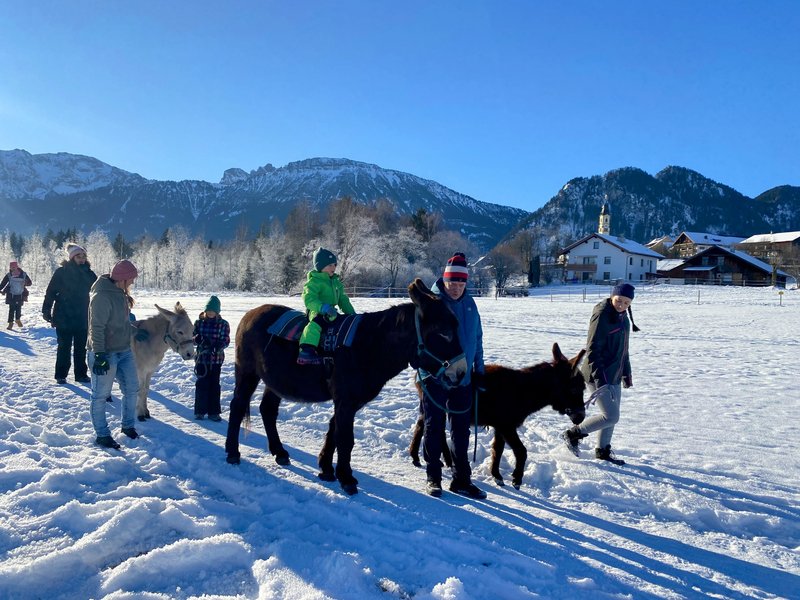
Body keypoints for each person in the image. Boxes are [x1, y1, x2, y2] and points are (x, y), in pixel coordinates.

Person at [420, 252, 487, 499]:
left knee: (461, 430)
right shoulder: (432, 303)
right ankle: (433, 476)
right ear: (444, 280)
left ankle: (461, 480)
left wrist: (479, 371)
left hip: (464, 378)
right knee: (434, 426)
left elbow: (477, 340)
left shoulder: (470, 304)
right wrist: (428, 373)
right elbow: (421, 343)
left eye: (461, 283)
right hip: (436, 378)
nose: (457, 288)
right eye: (452, 283)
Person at [562, 282, 639, 465]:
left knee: (612, 416)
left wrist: (626, 373)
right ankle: (573, 434)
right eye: (619, 300)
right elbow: (593, 350)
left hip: (614, 374)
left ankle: (602, 450)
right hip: (598, 374)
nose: (621, 305)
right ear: (612, 296)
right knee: (611, 416)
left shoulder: (624, 318)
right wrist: (601, 380)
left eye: (626, 303)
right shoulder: (602, 315)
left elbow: (624, 350)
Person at [87, 259, 142, 449]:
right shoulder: (101, 296)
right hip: (105, 353)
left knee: (132, 388)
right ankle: (102, 435)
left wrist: (135, 331)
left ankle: (128, 426)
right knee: (100, 395)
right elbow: (96, 327)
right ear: (122, 279)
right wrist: (99, 355)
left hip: (124, 350)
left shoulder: (120, 294)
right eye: (131, 279)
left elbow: (121, 323)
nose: (133, 282)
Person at [42, 243, 98, 384]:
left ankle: (81, 375)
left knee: (81, 348)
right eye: (79, 256)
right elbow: (50, 292)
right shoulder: (61, 272)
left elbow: (99, 291)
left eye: (84, 256)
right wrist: (46, 310)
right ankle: (61, 375)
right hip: (63, 316)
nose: (82, 259)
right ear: (72, 257)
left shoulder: (89, 273)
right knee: (64, 347)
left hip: (82, 316)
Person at [297, 247, 356, 365]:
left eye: (334, 264)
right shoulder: (314, 282)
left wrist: (352, 315)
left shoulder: (336, 282)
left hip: (332, 313)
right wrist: (323, 307)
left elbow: (343, 300)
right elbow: (309, 299)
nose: (333, 267)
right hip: (317, 311)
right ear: (320, 266)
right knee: (315, 325)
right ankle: (306, 350)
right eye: (329, 265)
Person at [192, 295, 230, 421]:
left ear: (217, 312)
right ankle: (200, 411)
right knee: (201, 384)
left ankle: (214, 412)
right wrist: (197, 339)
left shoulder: (223, 324)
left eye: (213, 311)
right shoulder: (198, 323)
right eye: (208, 310)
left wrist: (217, 346)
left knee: (214, 385)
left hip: (215, 360)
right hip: (201, 359)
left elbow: (225, 340)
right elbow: (192, 338)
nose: (210, 313)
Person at [1, 261, 32, 330]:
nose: (13, 268)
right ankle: (12, 322)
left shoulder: (22, 274)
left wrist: (25, 283)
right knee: (13, 308)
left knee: (17, 308)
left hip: (18, 294)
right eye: (11, 267)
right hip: (13, 294)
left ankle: (16, 320)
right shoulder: (12, 275)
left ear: (17, 267)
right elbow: (3, 283)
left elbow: (30, 283)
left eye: (14, 267)